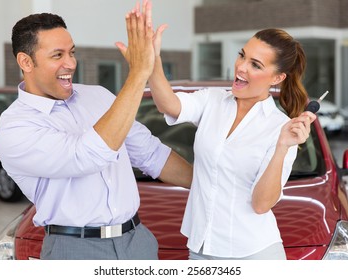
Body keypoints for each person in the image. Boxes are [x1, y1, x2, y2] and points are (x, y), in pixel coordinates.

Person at [0, 1, 192, 260]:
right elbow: (87, 156)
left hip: (138, 241)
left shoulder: (98, 96)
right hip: (75, 249)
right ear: (26, 62)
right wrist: (139, 73)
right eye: (57, 55)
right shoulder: (14, 128)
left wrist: (212, 186)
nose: (71, 63)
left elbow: (151, 153)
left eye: (72, 52)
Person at [117, 3, 316, 260]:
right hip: (200, 248)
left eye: (255, 65)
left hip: (253, 255)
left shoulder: (279, 128)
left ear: (277, 78)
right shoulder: (213, 101)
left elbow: (261, 204)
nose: (241, 67)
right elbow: (169, 104)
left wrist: (282, 147)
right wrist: (153, 59)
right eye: (242, 55)